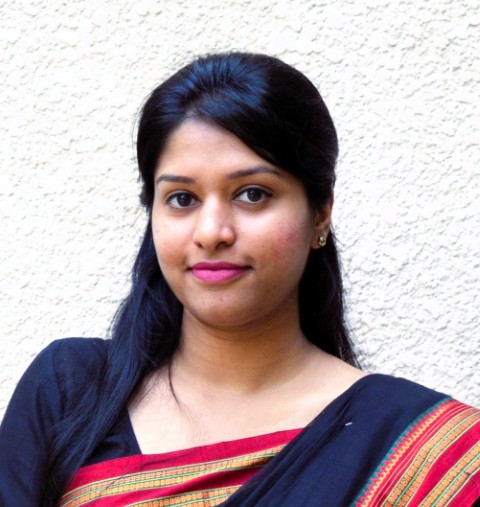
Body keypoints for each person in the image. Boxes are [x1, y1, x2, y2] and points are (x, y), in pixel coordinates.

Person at [0, 52, 478, 507]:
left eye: (252, 194)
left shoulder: (427, 455)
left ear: (320, 213)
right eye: (182, 199)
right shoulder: (71, 390)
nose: (212, 233)